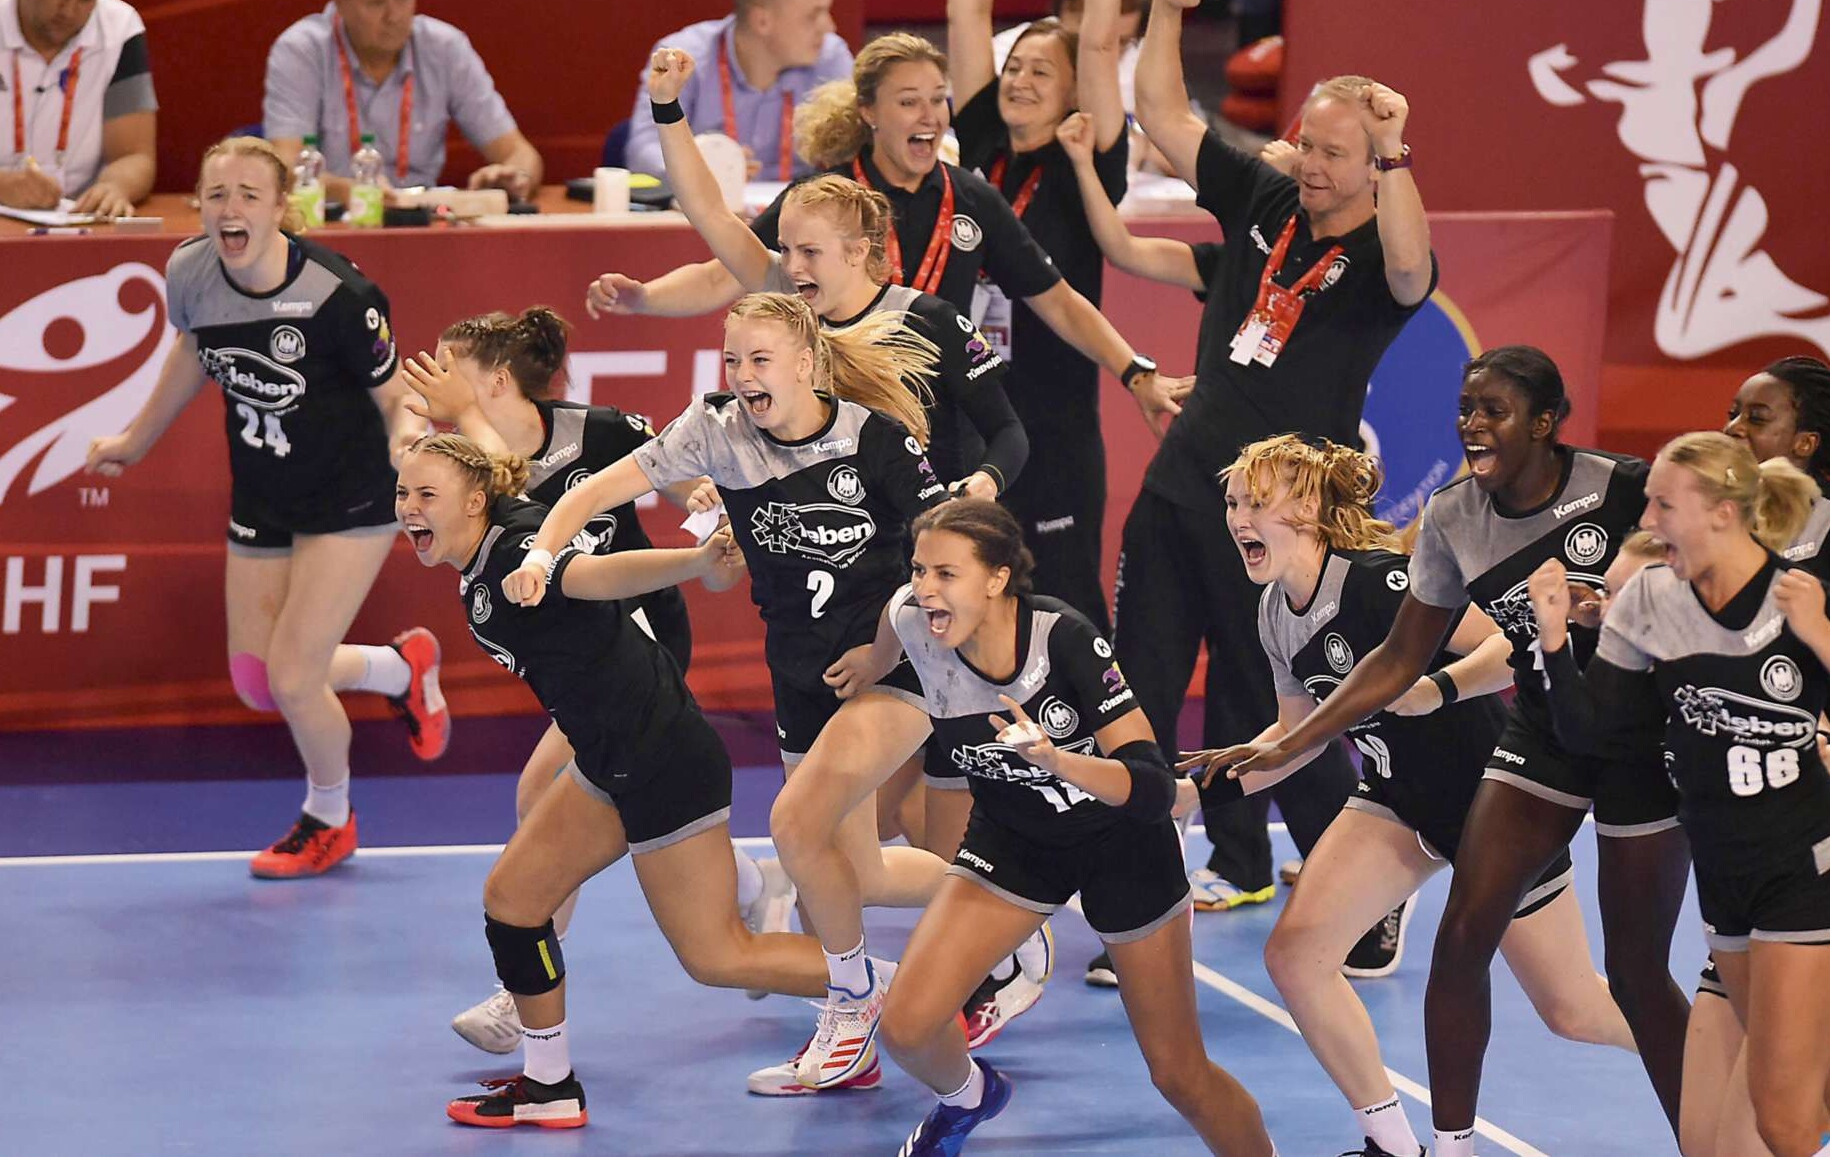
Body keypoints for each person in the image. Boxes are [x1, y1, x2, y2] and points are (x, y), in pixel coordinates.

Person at [1203, 347, 1692, 1157]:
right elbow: (1291, 742)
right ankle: (1396, 1144)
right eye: (1232, 501)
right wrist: (1169, 793)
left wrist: (1437, 689)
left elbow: (1508, 639)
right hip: (1395, 802)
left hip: (1489, 797)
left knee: (1574, 1010)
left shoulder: (1378, 582)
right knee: (1295, 956)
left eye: (1256, 499)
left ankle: (1730, 1064)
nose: (1237, 515)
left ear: (1311, 512)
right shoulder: (1274, 614)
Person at [499, 292, 959, 1097]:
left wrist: (884, 641)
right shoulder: (715, 432)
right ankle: (1011, 901)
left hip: (896, 664)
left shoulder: (876, 441)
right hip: (800, 672)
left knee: (794, 824)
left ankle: (852, 1011)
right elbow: (587, 494)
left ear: (808, 364)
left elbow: (945, 557)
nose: (743, 376)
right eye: (733, 359)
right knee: (861, 871)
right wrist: (541, 554)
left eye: (760, 360)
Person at [1116, 0, 1436, 937]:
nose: (1310, 162)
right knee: (1139, 678)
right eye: (1307, 143)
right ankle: (1148, 881)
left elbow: (1418, 270)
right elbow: (1168, 119)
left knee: (1270, 700)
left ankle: (1353, 880)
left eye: (1334, 153)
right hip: (1185, 484)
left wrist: (1393, 155)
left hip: (1288, 512)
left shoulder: (1381, 255)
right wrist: (1167, 12)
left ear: (1371, 166)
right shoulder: (1264, 202)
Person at [392, 436, 835, 1130]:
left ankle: (901, 990)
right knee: (513, 899)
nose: (409, 509)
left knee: (719, 958)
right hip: (609, 759)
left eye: (426, 496)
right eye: (403, 494)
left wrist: (692, 563)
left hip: (662, 759)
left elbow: (595, 575)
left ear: (474, 502)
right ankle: (549, 1086)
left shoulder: (515, 553)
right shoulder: (482, 550)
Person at [836, 498, 1277, 1156]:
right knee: (907, 1027)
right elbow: (894, 621)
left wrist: (1056, 759)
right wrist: (872, 664)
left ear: (997, 578)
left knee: (1179, 1075)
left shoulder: (1062, 639)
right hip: (1015, 840)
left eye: (946, 574)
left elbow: (1153, 787)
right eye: (920, 569)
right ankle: (968, 1096)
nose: (926, 587)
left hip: (1124, 848)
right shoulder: (915, 618)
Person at [396, 308, 782, 1056]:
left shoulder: (591, 433)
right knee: (571, 803)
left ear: (496, 380)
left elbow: (672, 491)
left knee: (561, 799)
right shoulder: (469, 470)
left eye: (450, 368)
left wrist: (701, 524)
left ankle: (522, 992)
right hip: (584, 651)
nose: (432, 379)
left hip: (635, 638)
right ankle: (746, 883)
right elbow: (492, 468)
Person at [83, 136, 441, 878]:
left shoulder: (341, 298)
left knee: (293, 679)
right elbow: (193, 351)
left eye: (249, 194)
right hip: (265, 494)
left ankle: (329, 818)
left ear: (284, 207)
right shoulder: (190, 271)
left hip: (353, 494)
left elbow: (394, 394)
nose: (230, 209)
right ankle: (400, 670)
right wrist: (135, 439)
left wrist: (410, 439)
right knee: (256, 680)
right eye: (217, 195)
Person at [587, 32, 1190, 443]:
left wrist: (1135, 372)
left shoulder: (970, 199)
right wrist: (644, 297)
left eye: (937, 101)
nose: (930, 116)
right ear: (870, 112)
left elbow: (1055, 298)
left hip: (937, 431)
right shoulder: (820, 201)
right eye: (909, 102)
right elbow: (724, 253)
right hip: (833, 422)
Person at [1528, 431, 1830, 1157]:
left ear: (1723, 513)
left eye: (1665, 505)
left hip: (1805, 870)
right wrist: (1551, 642)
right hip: (1724, 883)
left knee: (1785, 1123)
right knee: (1726, 1132)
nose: (1650, 519)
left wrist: (1821, 635)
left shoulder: (1798, 596)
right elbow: (1592, 733)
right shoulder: (1651, 603)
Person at [634, 46, 1028, 508]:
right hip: (823, 526)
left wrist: (984, 482)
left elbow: (1008, 432)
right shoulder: (788, 300)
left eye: (810, 252)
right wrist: (666, 107)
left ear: (858, 251)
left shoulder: (930, 321)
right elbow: (709, 212)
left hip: (918, 527)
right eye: (784, 249)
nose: (792, 265)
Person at [946, 0, 1128, 636]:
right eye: (1013, 66)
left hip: (1055, 425)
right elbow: (967, 13)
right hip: (976, 420)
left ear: (1076, 93)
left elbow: (1103, 47)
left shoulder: (1088, 161)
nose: (1018, 80)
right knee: (972, 597)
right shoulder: (986, 141)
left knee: (1066, 604)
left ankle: (1098, 736)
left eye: (1040, 73)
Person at [1682, 356, 1830, 1157]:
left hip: (1807, 859)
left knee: (1775, 1128)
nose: (1733, 429)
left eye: (1757, 418)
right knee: (1707, 1140)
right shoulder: (1709, 538)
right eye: (1730, 412)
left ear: (1804, 443)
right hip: (1731, 863)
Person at [262, 0, 542, 202]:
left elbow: (520, 152)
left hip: (419, 224)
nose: (394, 16)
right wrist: (354, 192)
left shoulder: (445, 48)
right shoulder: (301, 50)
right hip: (331, 226)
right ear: (339, 2)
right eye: (376, 1)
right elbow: (284, 168)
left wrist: (515, 178)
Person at [623, 0, 852, 182]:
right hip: (706, 209)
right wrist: (697, 168)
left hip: (801, 212)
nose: (829, 26)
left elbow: (856, 150)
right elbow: (642, 152)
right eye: (814, 15)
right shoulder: (684, 57)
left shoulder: (831, 58)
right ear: (762, 21)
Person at [0, 0, 155, 217]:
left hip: (74, 222)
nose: (69, 10)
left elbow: (135, 155)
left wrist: (115, 187)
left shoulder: (121, 30)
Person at [987, 0, 1151, 115]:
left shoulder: (1147, 68)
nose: (1102, 50)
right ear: (1063, 13)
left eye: (1120, 42)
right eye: (1090, 37)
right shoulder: (1008, 52)